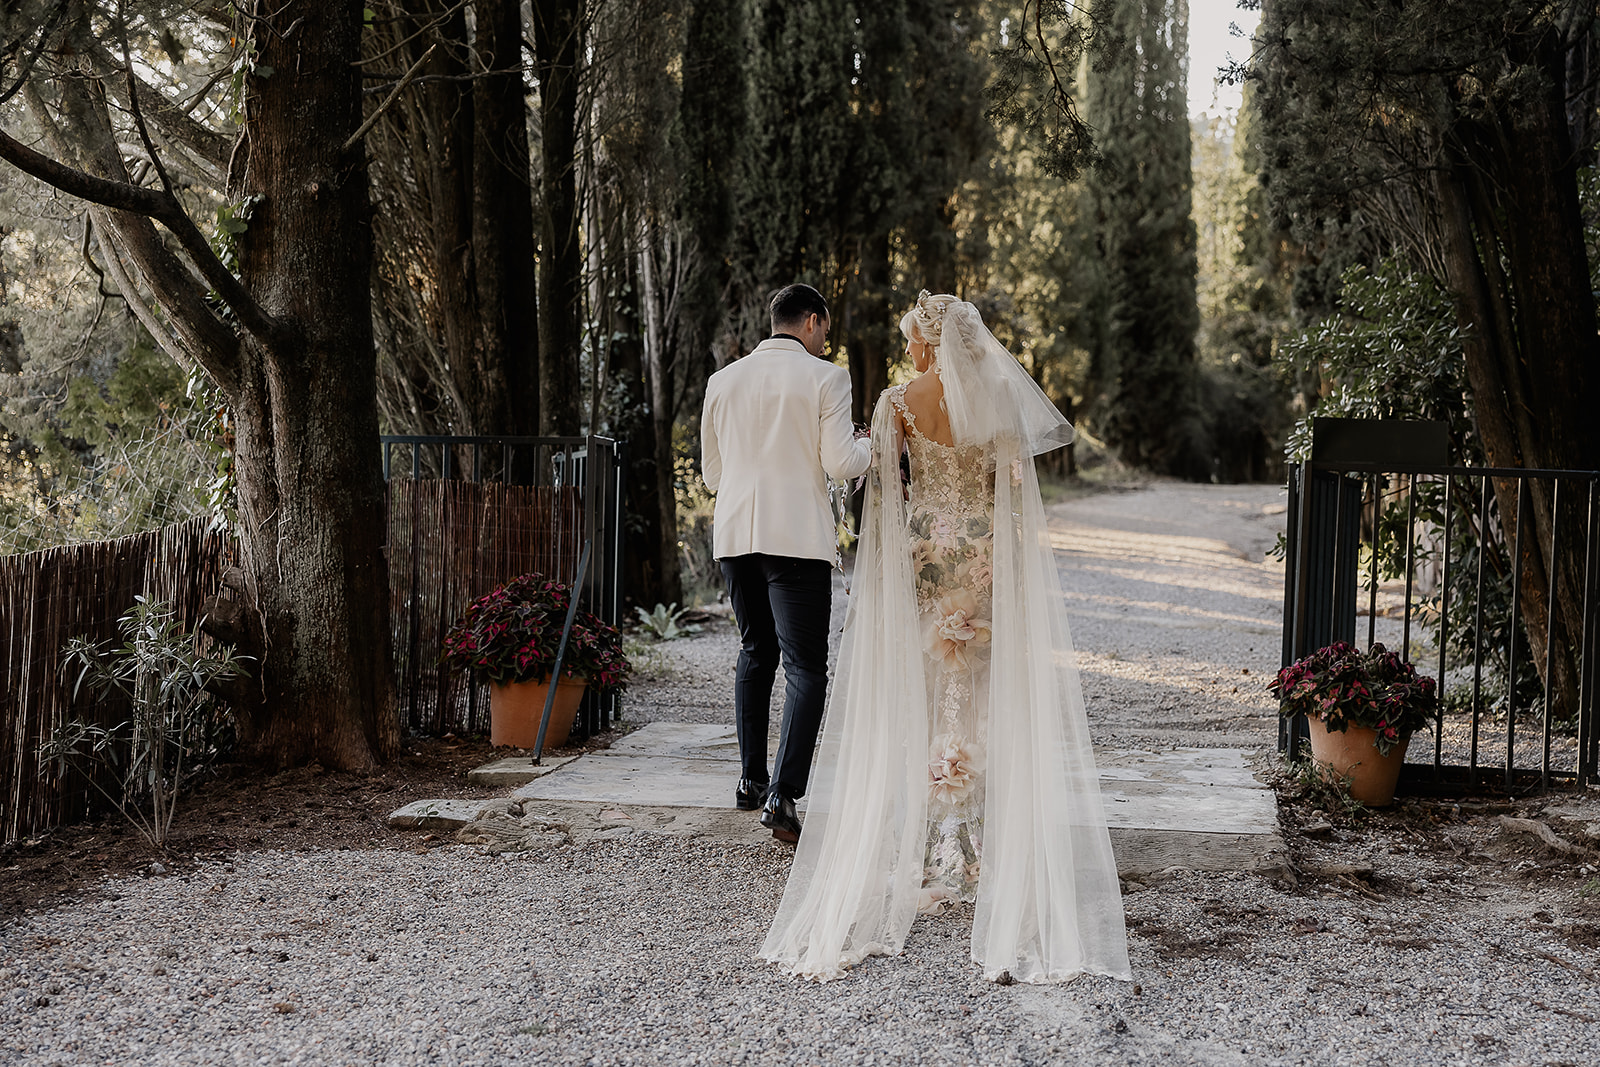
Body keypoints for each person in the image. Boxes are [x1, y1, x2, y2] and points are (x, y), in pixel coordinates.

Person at [761, 291, 1131, 983]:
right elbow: (1013, 492)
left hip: (926, 558)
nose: (908, 351)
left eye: (912, 340)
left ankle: (933, 836)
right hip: (983, 559)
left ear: (930, 342)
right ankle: (982, 840)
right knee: (983, 689)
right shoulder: (998, 400)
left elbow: (886, 495)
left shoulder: (897, 403)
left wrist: (891, 570)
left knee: (931, 690)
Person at [701, 283, 873, 842]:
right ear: (814, 322)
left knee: (756, 650)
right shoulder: (826, 377)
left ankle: (750, 780)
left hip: (735, 534)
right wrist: (879, 444)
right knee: (804, 667)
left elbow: (712, 474)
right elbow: (842, 461)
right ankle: (783, 795)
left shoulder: (722, 381)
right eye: (825, 329)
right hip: (795, 537)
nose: (826, 339)